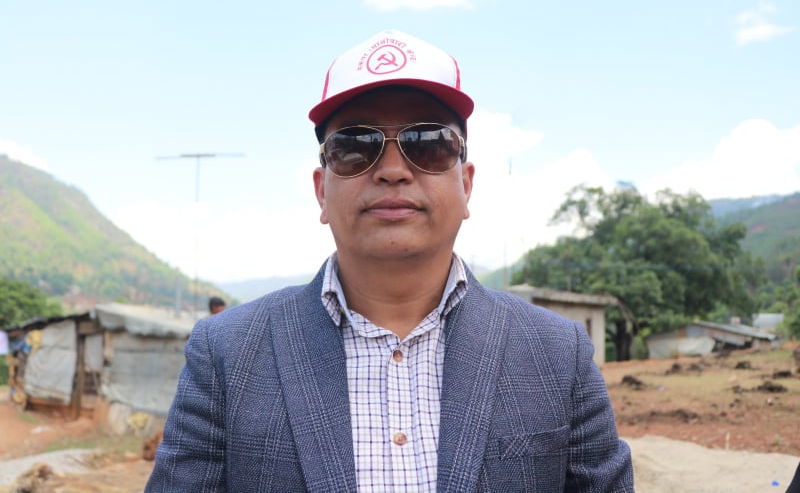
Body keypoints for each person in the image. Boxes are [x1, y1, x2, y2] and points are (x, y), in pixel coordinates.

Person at [146, 30, 634, 492]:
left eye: (428, 143)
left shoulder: (558, 353)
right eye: (355, 146)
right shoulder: (225, 354)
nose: (394, 170)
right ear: (321, 191)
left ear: (466, 185)